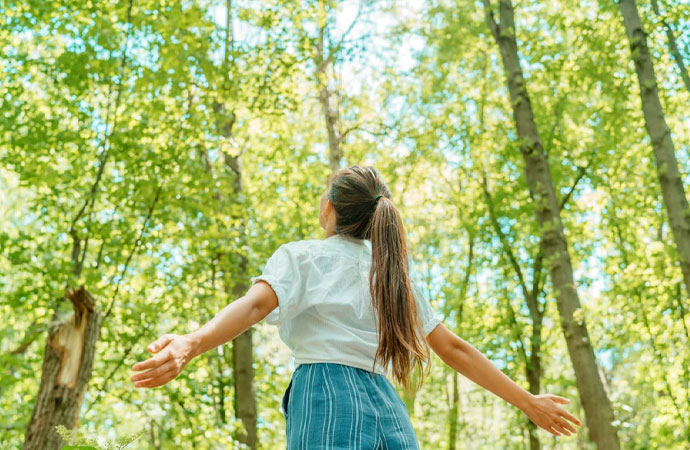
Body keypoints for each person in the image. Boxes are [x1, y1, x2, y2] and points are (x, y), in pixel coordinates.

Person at [131, 165, 581, 448]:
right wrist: (527, 402)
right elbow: (455, 350)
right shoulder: (393, 274)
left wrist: (192, 341)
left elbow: (252, 308)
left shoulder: (304, 255)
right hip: (386, 403)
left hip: (324, 392)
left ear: (329, 208)